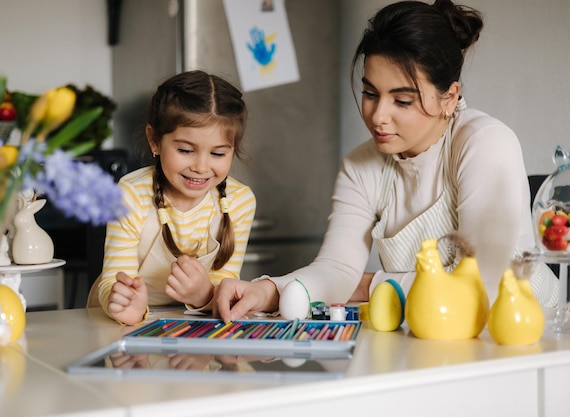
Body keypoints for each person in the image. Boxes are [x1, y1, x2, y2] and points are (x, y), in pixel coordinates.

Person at [213, 0, 558, 323]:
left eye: (402, 101)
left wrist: (368, 285)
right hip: (431, 330)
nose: (378, 116)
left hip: (527, 335)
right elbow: (337, 268)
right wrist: (268, 290)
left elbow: (483, 285)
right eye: (370, 93)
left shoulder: (484, 143)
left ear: (449, 98)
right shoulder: (361, 166)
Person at [94, 70, 256, 325]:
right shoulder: (130, 194)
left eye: (218, 154)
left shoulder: (240, 201)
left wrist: (204, 295)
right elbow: (112, 279)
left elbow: (226, 284)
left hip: (191, 323)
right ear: (154, 141)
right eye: (185, 150)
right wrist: (125, 304)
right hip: (122, 323)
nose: (202, 167)